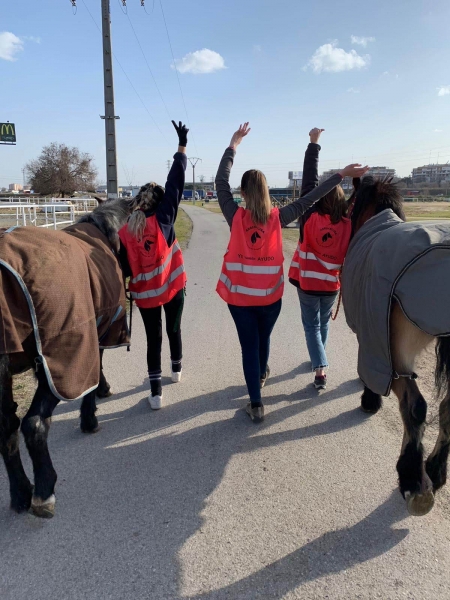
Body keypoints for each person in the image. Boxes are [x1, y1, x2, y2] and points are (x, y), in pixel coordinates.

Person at [215, 123, 368, 422]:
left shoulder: (234, 215)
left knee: (249, 345)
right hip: (270, 298)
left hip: (239, 298)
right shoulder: (279, 217)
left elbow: (221, 180)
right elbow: (312, 196)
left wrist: (233, 144)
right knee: (263, 337)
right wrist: (342, 175)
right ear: (267, 191)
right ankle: (262, 371)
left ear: (243, 193)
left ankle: (256, 402)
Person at [119, 120, 188, 410]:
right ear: (159, 204)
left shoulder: (124, 231)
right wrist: (181, 147)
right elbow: (175, 182)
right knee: (174, 330)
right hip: (172, 288)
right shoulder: (165, 220)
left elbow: (123, 268)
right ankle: (176, 370)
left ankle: (156, 393)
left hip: (145, 296)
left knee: (153, 339)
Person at [288, 128, 355, 390]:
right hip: (330, 285)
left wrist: (313, 144)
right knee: (322, 323)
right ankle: (319, 357)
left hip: (307, 282)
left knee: (311, 325)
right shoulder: (347, 224)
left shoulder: (309, 218)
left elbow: (309, 182)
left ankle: (320, 368)